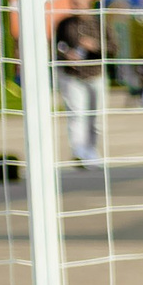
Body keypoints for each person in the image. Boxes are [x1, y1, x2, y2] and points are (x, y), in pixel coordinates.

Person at [53, 12, 104, 168]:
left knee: (95, 117)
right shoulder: (64, 24)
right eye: (73, 1)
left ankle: (91, 150)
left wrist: (94, 45)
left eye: (79, 0)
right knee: (76, 114)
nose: (77, 5)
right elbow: (55, 47)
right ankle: (79, 153)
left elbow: (113, 47)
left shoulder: (98, 23)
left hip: (94, 75)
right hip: (72, 75)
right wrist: (66, 55)